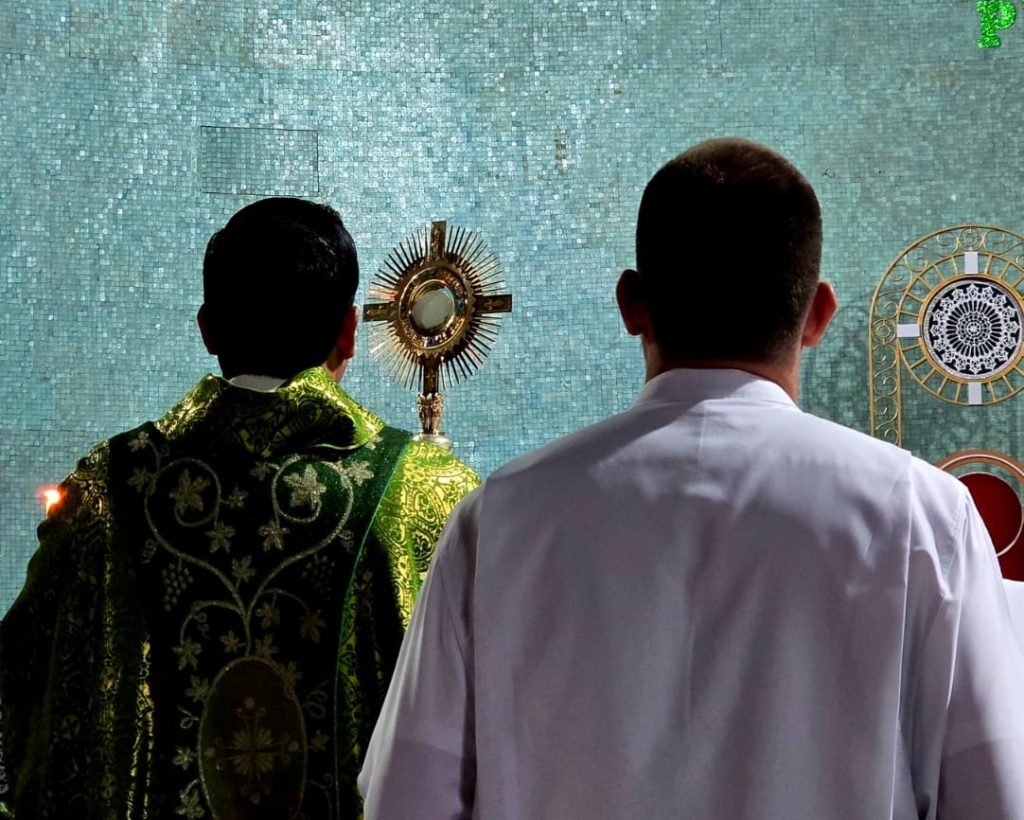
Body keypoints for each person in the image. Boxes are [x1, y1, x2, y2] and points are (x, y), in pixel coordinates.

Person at [359, 139, 1024, 819]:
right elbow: (996, 797)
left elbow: (409, 799)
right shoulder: (924, 517)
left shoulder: (500, 519)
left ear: (631, 304)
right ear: (819, 315)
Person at [0, 197, 478, 819]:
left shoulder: (105, 494)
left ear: (207, 329)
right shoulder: (428, 492)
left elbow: (25, 682)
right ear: (349, 331)